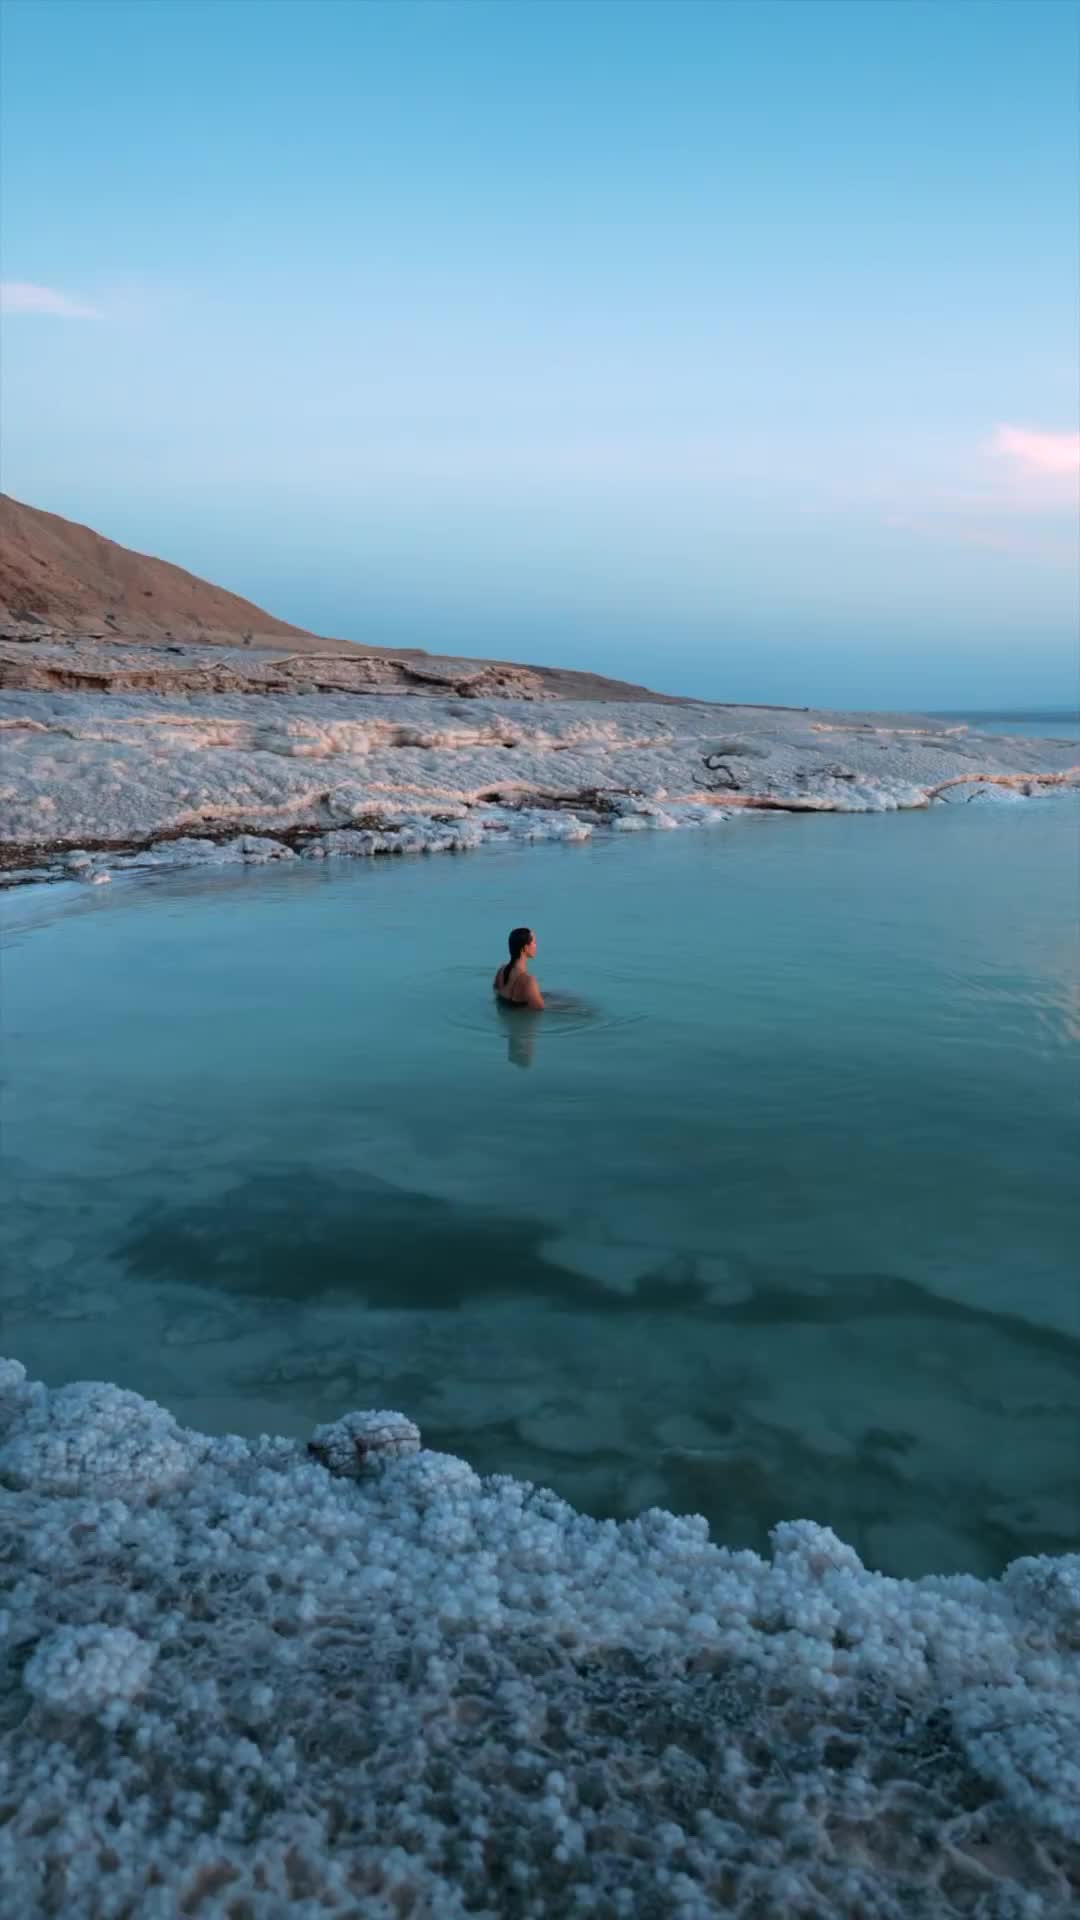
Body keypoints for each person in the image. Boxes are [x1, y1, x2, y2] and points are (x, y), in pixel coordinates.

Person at [493, 926, 544, 1010]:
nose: (536, 945)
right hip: (522, 1021)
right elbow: (539, 1009)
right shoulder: (528, 981)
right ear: (525, 948)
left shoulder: (501, 971)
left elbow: (496, 991)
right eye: (534, 942)